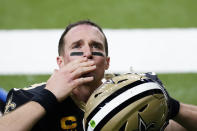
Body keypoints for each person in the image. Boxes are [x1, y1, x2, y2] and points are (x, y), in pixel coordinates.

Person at [0, 20, 197, 131]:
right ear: (60, 62)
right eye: (77, 46)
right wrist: (49, 97)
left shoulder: (128, 97)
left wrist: (171, 106)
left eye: (96, 46)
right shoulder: (29, 98)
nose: (87, 53)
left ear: (107, 63)